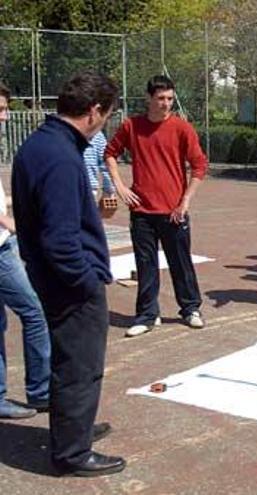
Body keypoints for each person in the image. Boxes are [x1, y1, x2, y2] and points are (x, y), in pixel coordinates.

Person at [12, 71, 125, 476]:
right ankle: (72, 453)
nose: (105, 124)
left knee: (69, 362)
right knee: (79, 366)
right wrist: (86, 280)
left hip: (51, 277)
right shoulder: (59, 157)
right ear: (94, 111)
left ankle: (72, 433)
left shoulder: (41, 145)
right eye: (106, 115)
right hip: (69, 284)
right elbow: (60, 239)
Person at [105, 75, 208, 338]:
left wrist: (185, 200)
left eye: (170, 99)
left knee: (181, 262)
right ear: (149, 98)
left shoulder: (181, 128)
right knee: (146, 264)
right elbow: (109, 154)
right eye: (161, 98)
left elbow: (199, 165)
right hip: (142, 212)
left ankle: (190, 309)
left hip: (174, 211)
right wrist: (120, 186)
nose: (166, 103)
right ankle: (148, 315)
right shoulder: (132, 126)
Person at [0, 82, 51, 420]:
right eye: (0, 110)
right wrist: (12, 223)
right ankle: (41, 391)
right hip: (2, 247)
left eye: (5, 109)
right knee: (34, 311)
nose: (5, 117)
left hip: (3, 244)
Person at [83, 130, 116, 200]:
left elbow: (106, 163)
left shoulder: (97, 135)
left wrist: (109, 189)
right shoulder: (59, 131)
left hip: (89, 188)